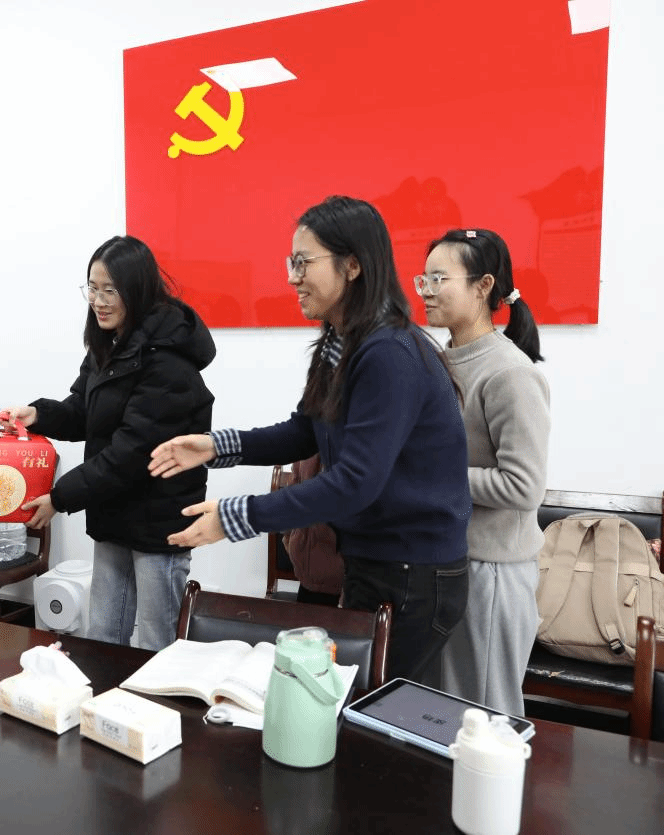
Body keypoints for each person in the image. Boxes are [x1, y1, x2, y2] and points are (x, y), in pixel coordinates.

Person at [149, 195, 472, 682]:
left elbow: (355, 482)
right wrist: (216, 445)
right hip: (375, 561)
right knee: (351, 700)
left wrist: (238, 516)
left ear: (352, 265)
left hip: (413, 573)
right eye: (291, 263)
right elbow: (306, 431)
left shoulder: (389, 353)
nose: (292, 277)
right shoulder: (342, 343)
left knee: (375, 710)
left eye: (304, 263)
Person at [4, 236, 215, 651]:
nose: (98, 301)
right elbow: (84, 410)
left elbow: (131, 452)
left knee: (155, 643)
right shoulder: (111, 344)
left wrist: (59, 497)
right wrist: (39, 415)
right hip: (115, 514)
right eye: (92, 288)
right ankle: (105, 695)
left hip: (158, 525)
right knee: (103, 636)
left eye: (110, 290)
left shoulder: (168, 360)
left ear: (136, 290)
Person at [417, 228, 549, 716]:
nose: (426, 291)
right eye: (423, 279)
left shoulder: (510, 372)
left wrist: (425, 477)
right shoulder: (439, 360)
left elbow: (523, 486)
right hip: (447, 562)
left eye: (439, 278)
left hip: (490, 573)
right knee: (439, 717)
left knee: (485, 721)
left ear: (483, 285)